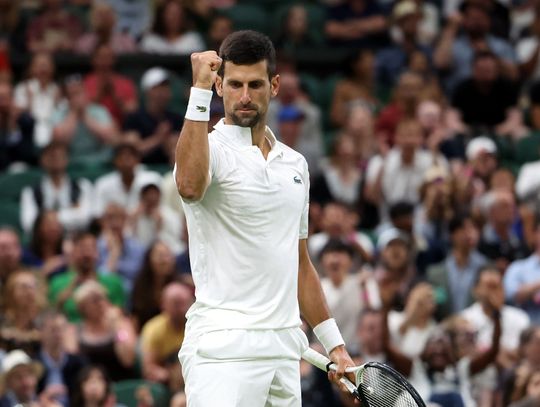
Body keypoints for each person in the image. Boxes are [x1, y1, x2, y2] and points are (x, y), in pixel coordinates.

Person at [175, 30, 355, 406]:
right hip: (222, 354)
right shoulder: (209, 150)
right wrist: (198, 92)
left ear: (274, 86)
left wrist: (336, 346)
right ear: (220, 85)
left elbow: (300, 264)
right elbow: (189, 186)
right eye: (234, 85)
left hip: (284, 355)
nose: (244, 96)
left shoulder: (296, 165)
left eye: (255, 85)